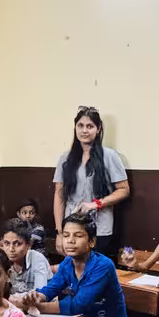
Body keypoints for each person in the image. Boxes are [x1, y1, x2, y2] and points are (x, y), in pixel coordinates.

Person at [24, 212, 127, 317]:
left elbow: (79, 305)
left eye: (78, 235)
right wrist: (37, 297)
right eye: (66, 235)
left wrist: (40, 307)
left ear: (92, 242)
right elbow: (51, 288)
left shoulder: (103, 266)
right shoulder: (67, 263)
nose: (70, 240)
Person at [54, 106, 129, 257]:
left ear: (98, 129)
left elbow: (124, 190)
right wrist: (60, 232)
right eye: (80, 126)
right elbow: (59, 195)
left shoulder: (109, 156)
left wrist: (96, 204)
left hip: (99, 229)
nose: (84, 131)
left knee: (96, 273)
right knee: (74, 274)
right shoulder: (66, 158)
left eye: (90, 126)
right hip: (72, 230)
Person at [1, 218, 52, 298]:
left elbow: (39, 294)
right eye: (7, 243)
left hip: (40, 307)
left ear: (28, 245)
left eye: (17, 244)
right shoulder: (1, 260)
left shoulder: (37, 259)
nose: (11, 249)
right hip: (13, 307)